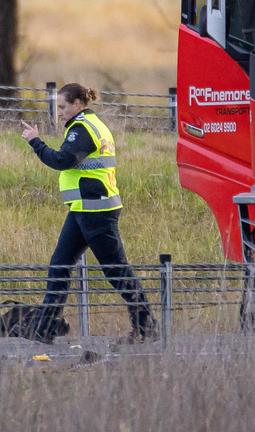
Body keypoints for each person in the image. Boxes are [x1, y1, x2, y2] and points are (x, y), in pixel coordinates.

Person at [20, 82, 158, 344]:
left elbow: (62, 160)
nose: (58, 112)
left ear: (77, 105)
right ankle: (45, 329)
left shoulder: (83, 129)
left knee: (117, 271)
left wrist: (35, 142)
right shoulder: (89, 124)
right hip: (83, 209)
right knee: (59, 266)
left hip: (97, 211)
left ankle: (147, 327)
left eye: (62, 107)